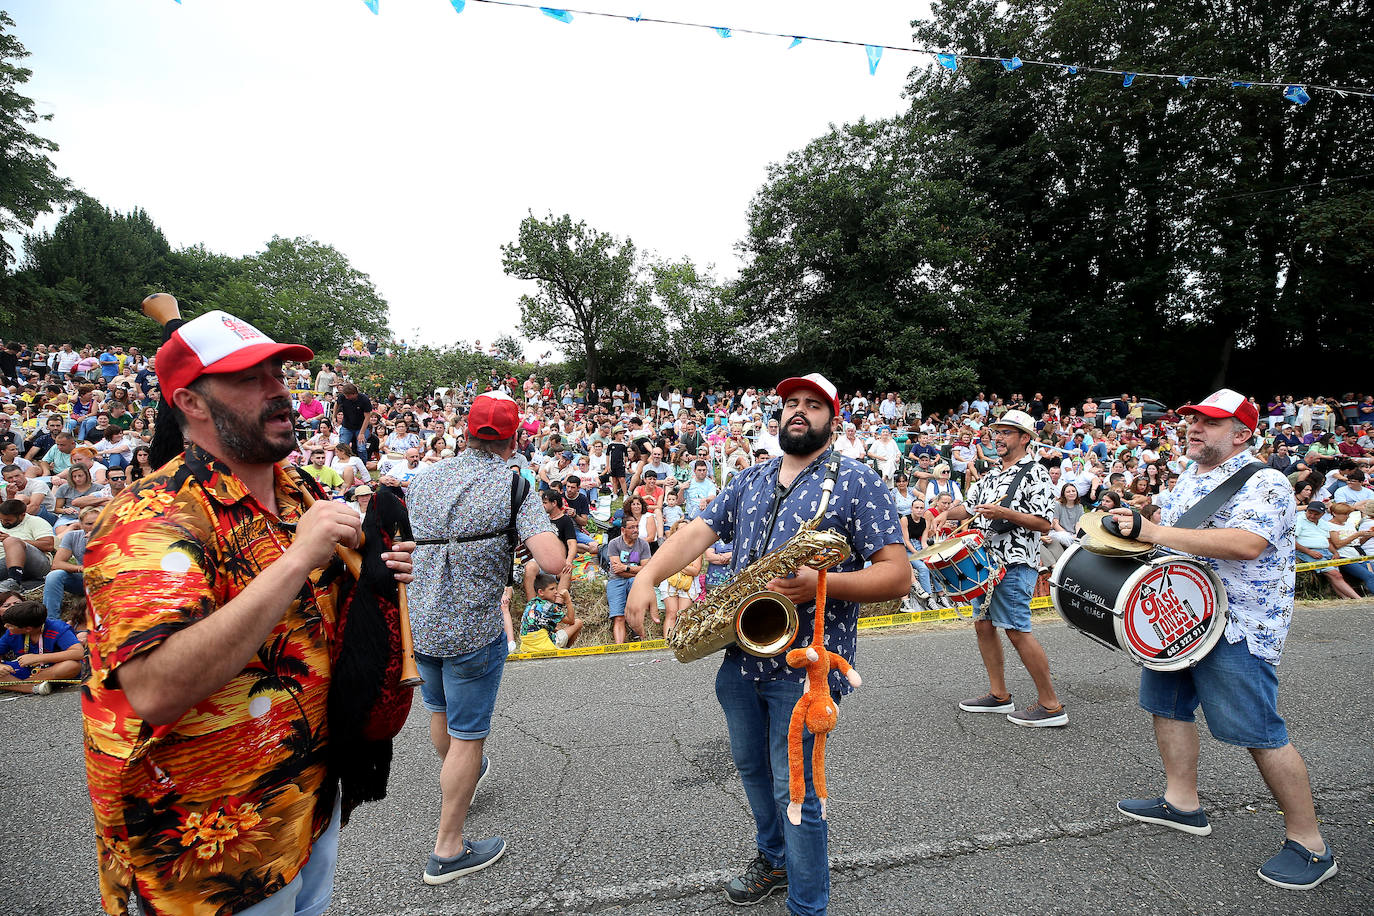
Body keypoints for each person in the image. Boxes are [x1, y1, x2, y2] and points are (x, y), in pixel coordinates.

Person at [81, 307, 416, 916]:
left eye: (279, 373)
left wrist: (374, 580)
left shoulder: (302, 494)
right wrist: (294, 563)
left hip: (306, 808)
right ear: (192, 403)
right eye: (250, 378)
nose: (279, 391)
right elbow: (155, 688)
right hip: (205, 855)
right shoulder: (149, 518)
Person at [626, 372, 908, 915]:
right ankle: (774, 860)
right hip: (742, 658)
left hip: (808, 666)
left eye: (813, 405)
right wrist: (646, 577)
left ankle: (808, 903)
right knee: (753, 770)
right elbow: (695, 533)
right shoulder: (750, 479)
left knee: (795, 790)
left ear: (834, 419)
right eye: (790, 404)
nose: (798, 411)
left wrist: (820, 584)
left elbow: (897, 576)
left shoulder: (858, 480)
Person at [1106, 388, 1336, 891]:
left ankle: (1311, 845)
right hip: (1181, 613)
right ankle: (1182, 803)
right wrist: (1138, 525)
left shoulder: (1267, 480)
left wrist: (1154, 533)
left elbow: (1246, 544)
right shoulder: (1191, 476)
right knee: (1166, 705)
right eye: (1192, 419)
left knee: (1258, 731)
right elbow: (1169, 530)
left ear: (1242, 434)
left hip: (1237, 625)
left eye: (1208, 422)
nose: (1193, 427)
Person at [405, 390, 566, 885]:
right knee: (469, 735)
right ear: (513, 438)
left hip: (423, 622)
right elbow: (554, 560)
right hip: (474, 625)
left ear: (466, 432)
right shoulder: (513, 484)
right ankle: (448, 849)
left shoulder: (421, 480)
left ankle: (464, 779)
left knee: (440, 714)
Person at [946, 409, 1066, 727]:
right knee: (984, 626)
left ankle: (1051, 704)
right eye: (995, 432)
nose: (997, 438)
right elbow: (968, 508)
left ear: (1025, 438)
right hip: (985, 563)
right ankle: (999, 696)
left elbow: (1042, 522)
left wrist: (1004, 511)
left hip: (1015, 562)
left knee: (1016, 629)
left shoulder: (1036, 473)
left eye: (1005, 432)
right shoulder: (990, 476)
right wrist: (942, 514)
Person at [0, 599, 83, 694]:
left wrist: (38, 658)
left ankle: (22, 686)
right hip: (26, 670)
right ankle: (32, 688)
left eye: (10, 625)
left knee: (72, 665)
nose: (6, 626)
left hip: (52, 671)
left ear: (28, 629)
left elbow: (79, 652)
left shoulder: (57, 628)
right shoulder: (11, 633)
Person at [605, 513, 652, 643]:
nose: (636, 530)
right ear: (623, 530)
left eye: (637, 527)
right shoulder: (614, 543)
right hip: (616, 581)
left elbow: (647, 569)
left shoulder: (643, 544)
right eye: (632, 527)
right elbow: (616, 570)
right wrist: (637, 571)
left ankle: (642, 640)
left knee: (636, 612)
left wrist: (625, 568)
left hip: (634, 580)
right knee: (619, 617)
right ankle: (619, 648)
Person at [517, 571, 583, 652]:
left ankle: (563, 646)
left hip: (527, 646)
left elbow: (544, 624)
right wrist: (568, 600)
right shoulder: (549, 606)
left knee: (557, 628)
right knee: (578, 622)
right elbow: (571, 621)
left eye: (556, 588)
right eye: (552, 589)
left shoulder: (531, 603)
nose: (556, 591)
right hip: (543, 645)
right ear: (541, 592)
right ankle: (566, 648)